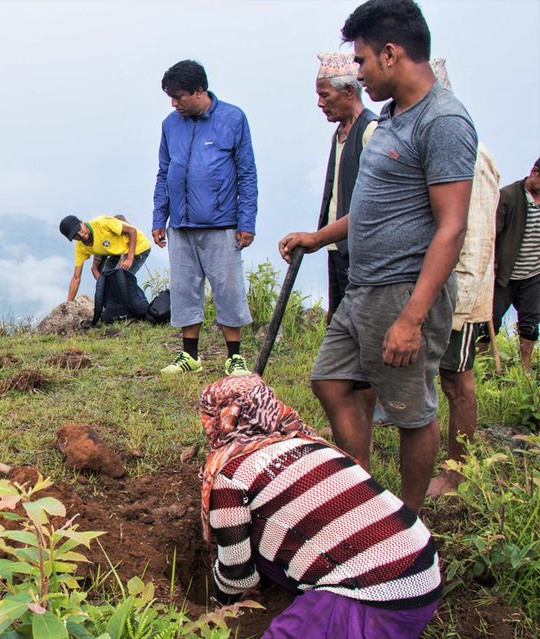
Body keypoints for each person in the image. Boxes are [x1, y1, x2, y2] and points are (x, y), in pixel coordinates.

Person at [278, 0, 478, 513]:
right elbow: (371, 209)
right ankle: (362, 494)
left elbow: (451, 227)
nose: (359, 72)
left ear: (390, 54)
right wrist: (318, 237)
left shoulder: (444, 121)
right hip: (363, 287)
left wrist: (412, 319)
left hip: (403, 291)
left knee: (411, 411)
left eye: (362, 60)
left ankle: (407, 523)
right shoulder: (389, 119)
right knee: (329, 380)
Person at [200, 374, 441, 639]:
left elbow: (237, 575)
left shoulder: (232, 474)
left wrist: (218, 604)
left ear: (219, 419)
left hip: (375, 601)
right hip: (424, 579)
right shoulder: (311, 443)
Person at [152, 59, 257, 377]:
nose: (174, 103)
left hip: (222, 223)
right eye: (170, 97)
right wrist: (160, 217)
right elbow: (164, 171)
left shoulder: (233, 119)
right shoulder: (171, 124)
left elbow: (247, 173)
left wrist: (246, 222)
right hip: (180, 225)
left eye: (179, 96)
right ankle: (190, 356)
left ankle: (234, 356)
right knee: (184, 289)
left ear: (200, 91)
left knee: (228, 289)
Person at [426, 59, 501, 499]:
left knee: (458, 381)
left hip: (458, 297)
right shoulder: (441, 147)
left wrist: (459, 309)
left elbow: (475, 240)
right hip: (438, 291)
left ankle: (457, 474)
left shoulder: (469, 154)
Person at [314, 52, 378, 325]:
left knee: (359, 321)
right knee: (338, 319)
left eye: (325, 95)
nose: (320, 103)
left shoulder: (371, 131)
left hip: (361, 249)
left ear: (349, 91)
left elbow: (375, 201)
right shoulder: (339, 133)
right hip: (336, 246)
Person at [488, 157, 540, 374]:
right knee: (489, 321)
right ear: (534, 172)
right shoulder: (508, 196)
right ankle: (484, 367)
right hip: (505, 275)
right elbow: (492, 234)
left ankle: (525, 371)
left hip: (534, 274)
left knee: (529, 324)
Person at [58, 214, 152, 302]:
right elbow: (76, 277)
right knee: (105, 279)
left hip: (138, 247)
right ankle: (113, 307)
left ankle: (141, 306)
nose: (81, 235)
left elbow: (132, 231)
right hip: (119, 251)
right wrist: (68, 304)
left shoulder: (102, 223)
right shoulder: (81, 247)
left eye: (79, 229)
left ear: (82, 222)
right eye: (75, 235)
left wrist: (130, 258)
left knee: (119, 280)